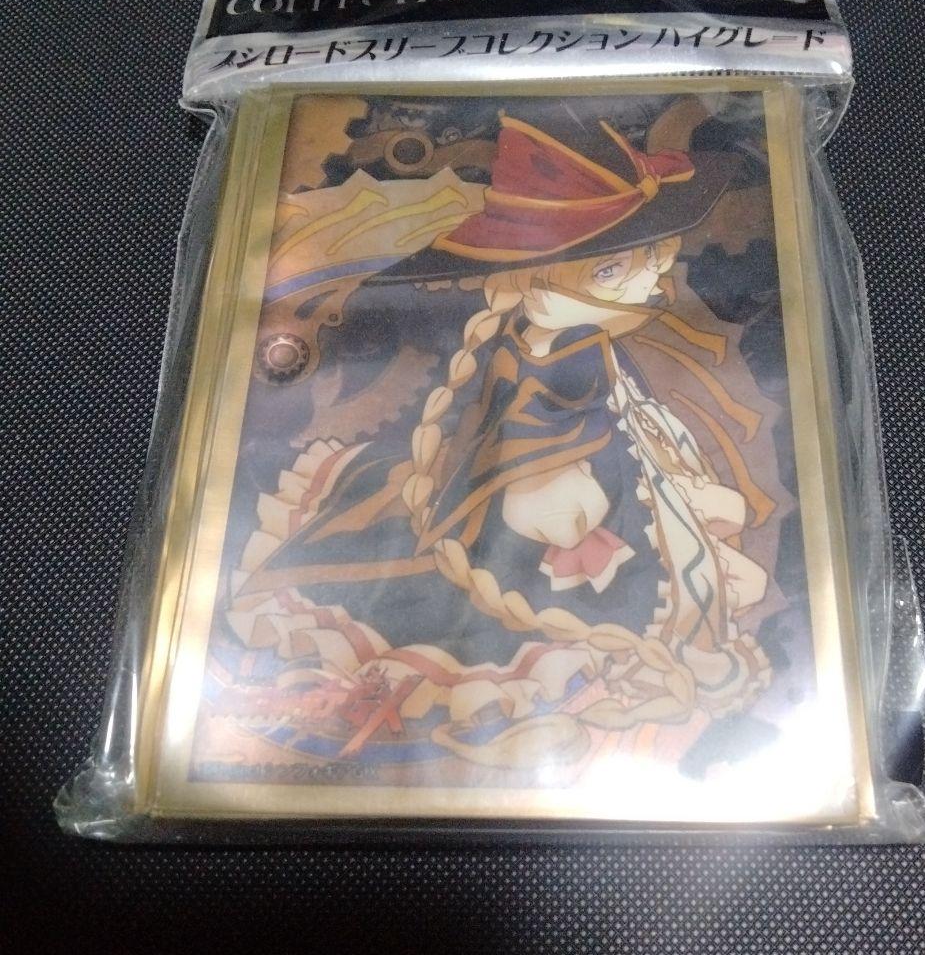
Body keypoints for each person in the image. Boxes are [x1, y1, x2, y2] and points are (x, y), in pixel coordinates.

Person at [230, 115, 771, 768]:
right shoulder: (544, 364)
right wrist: (563, 500)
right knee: (590, 621)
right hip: (537, 533)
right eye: (614, 271)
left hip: (607, 487)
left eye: (653, 262)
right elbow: (527, 463)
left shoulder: (578, 344)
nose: (652, 284)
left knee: (680, 576)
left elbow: (608, 419)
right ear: (536, 288)